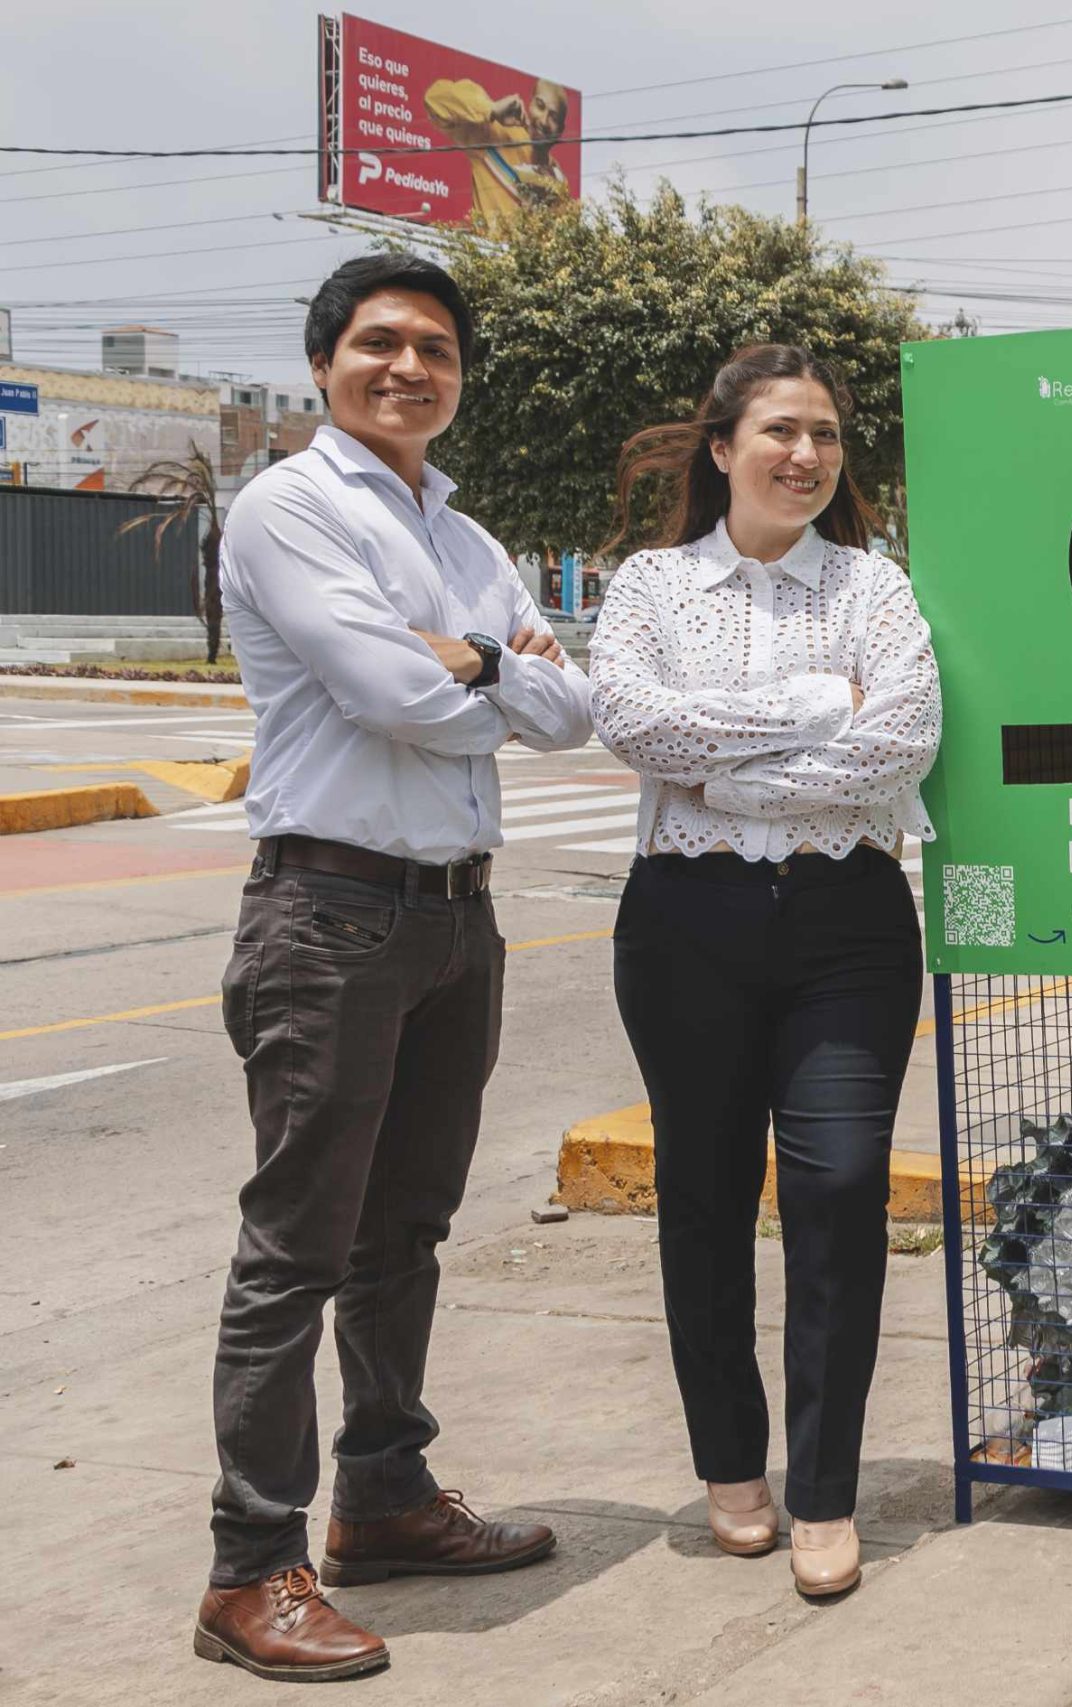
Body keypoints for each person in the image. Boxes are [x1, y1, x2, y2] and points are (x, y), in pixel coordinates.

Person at [197, 252, 592, 1683]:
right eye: (379, 343)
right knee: (297, 1248)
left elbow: (572, 708)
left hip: (454, 919)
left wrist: (471, 659)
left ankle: (382, 1496)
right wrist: (497, 670)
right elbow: (389, 691)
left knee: (406, 1230)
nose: (409, 367)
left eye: (436, 347)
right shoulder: (290, 507)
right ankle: (250, 1567)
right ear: (323, 364)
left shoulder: (467, 537)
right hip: (331, 914)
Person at [588, 345, 941, 1601]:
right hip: (686, 924)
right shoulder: (651, 584)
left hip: (848, 925)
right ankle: (731, 1467)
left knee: (839, 1192)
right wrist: (814, 705)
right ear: (723, 446)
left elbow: (903, 739)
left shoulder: (874, 585)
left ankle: (827, 1491)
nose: (806, 454)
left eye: (826, 434)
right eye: (782, 430)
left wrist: (728, 780)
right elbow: (635, 723)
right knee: (704, 1196)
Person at [422, 75, 571, 226]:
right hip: (483, 240)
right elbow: (434, 98)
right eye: (540, 106)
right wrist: (491, 109)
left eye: (554, 118)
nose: (544, 121)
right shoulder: (495, 133)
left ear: (560, 131)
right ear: (530, 103)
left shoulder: (558, 180)